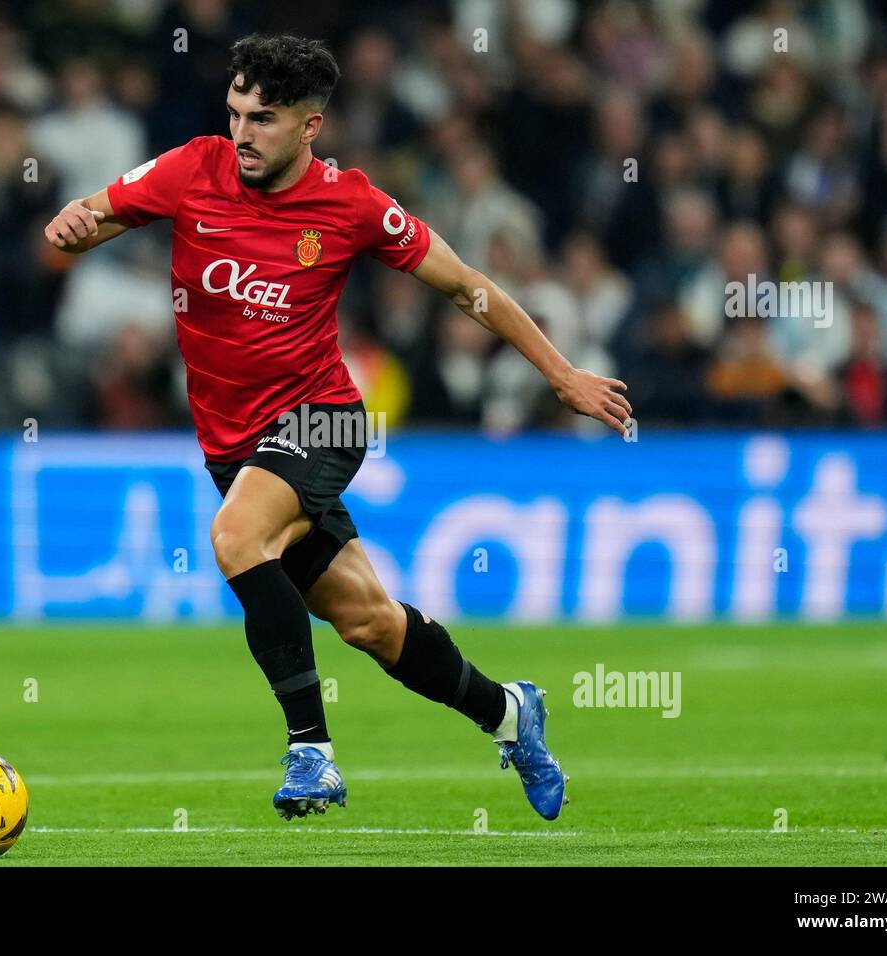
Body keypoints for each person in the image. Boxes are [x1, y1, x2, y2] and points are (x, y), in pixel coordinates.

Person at [43, 34, 630, 820]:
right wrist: (76, 223)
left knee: (234, 539)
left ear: (309, 127)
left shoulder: (351, 204)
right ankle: (513, 715)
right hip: (233, 445)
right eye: (235, 114)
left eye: (265, 119)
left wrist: (563, 375)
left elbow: (465, 286)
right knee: (370, 623)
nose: (244, 133)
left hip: (321, 420)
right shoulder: (193, 167)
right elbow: (105, 211)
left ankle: (311, 753)